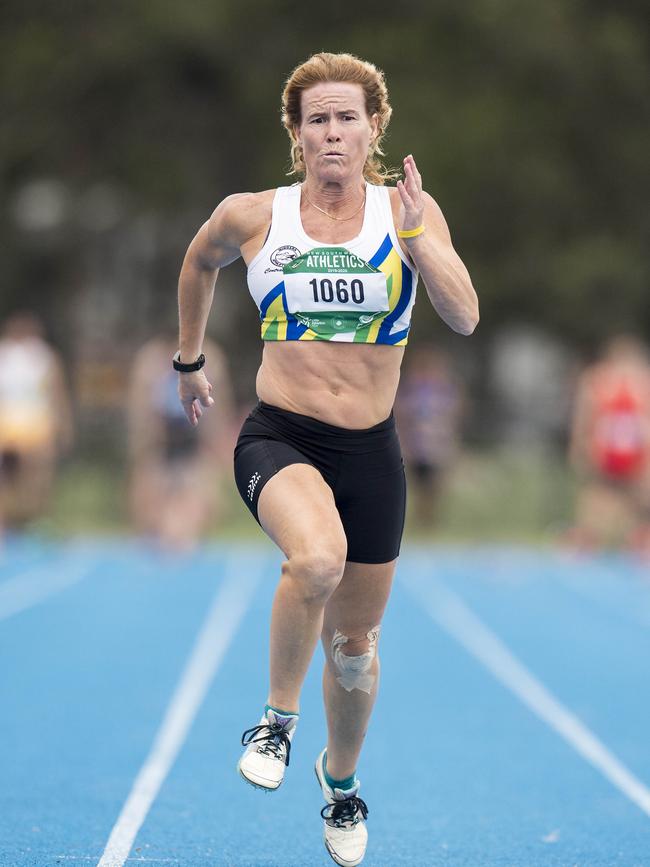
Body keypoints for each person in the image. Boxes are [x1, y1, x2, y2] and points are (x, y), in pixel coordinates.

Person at [175, 52, 478, 866]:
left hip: (371, 453)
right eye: (318, 119)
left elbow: (465, 315)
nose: (333, 132)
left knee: (355, 650)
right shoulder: (253, 215)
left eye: (348, 117)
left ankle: (340, 782)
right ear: (297, 133)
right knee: (315, 560)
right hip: (280, 436)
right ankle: (275, 721)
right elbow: (197, 263)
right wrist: (189, 358)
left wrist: (419, 239)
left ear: (374, 126)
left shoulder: (406, 211)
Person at [127, 332, 233, 551]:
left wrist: (217, 443)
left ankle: (184, 532)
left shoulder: (211, 357)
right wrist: (143, 440)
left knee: (205, 501)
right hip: (162, 439)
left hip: (194, 439)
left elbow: (220, 403)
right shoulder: (150, 359)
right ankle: (162, 531)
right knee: (147, 505)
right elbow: (139, 405)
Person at [567, 335, 650, 553]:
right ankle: (587, 542)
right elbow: (585, 417)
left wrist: (579, 447)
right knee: (601, 499)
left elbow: (583, 418)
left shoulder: (598, 380)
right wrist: (580, 447)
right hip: (615, 451)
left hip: (623, 451)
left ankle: (632, 541)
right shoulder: (598, 380)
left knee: (628, 500)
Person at [0, 311, 73, 536]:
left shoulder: (45, 357)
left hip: (35, 422)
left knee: (37, 476)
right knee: (8, 477)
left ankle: (32, 520)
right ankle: (8, 522)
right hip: (9, 420)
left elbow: (57, 393)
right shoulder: (5, 354)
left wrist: (63, 425)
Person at [396, 345, 464, 528]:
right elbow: (401, 414)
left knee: (434, 487)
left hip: (436, 445)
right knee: (415, 485)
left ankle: (430, 521)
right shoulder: (410, 388)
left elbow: (454, 413)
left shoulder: (444, 389)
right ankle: (418, 520)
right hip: (415, 445)